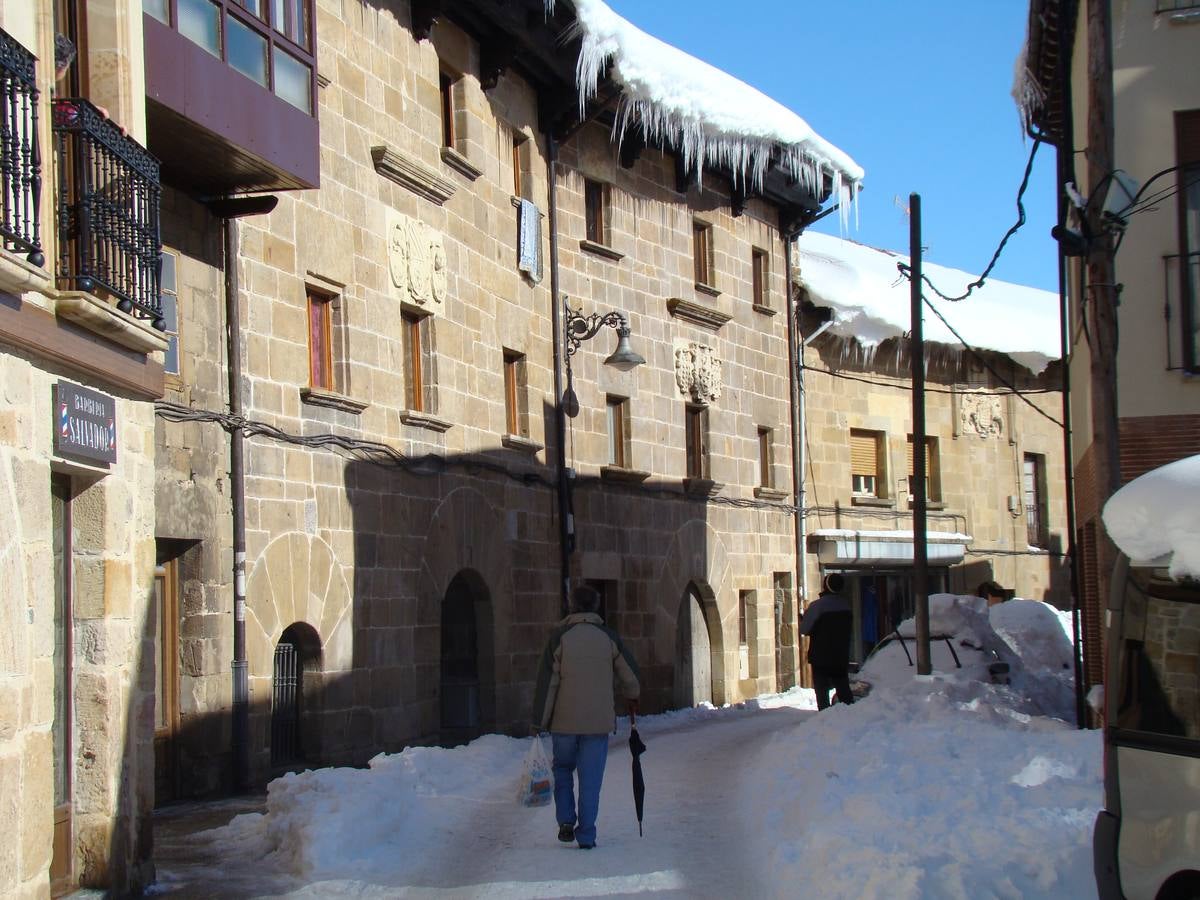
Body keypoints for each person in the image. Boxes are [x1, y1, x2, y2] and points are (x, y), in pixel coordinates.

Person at [532, 585, 640, 850]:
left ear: (571, 606)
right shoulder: (608, 637)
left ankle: (566, 820)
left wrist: (539, 720)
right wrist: (631, 694)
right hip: (597, 722)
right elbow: (631, 677)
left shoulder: (559, 638)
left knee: (563, 769)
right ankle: (587, 834)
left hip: (564, 722)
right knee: (591, 779)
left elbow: (549, 683)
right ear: (595, 607)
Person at [800, 573, 855, 710]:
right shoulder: (846, 606)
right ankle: (849, 715)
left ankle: (825, 718)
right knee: (843, 689)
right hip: (840, 656)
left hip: (821, 656)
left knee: (822, 692)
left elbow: (805, 629)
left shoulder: (817, 606)